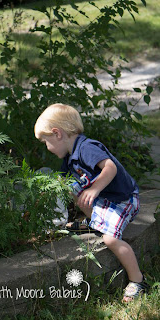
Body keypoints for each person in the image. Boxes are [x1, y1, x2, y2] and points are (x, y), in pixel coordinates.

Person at [34, 103, 149, 302]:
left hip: (124, 199)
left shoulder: (86, 148)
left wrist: (94, 189)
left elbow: (110, 168)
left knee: (110, 240)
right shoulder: (70, 157)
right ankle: (97, 223)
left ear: (57, 133)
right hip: (107, 198)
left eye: (46, 141)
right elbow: (65, 184)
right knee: (71, 187)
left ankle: (138, 280)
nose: (47, 147)